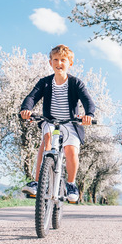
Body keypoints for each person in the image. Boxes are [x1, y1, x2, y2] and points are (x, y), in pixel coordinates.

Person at [20, 44, 95, 202]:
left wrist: (89, 115)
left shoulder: (75, 83)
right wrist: (26, 109)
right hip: (50, 122)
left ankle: (71, 184)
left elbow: (87, 99)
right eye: (55, 59)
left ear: (70, 64)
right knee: (46, 141)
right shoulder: (45, 82)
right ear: (50, 63)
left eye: (63, 60)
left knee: (70, 151)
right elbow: (32, 97)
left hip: (70, 123)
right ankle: (37, 181)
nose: (59, 63)